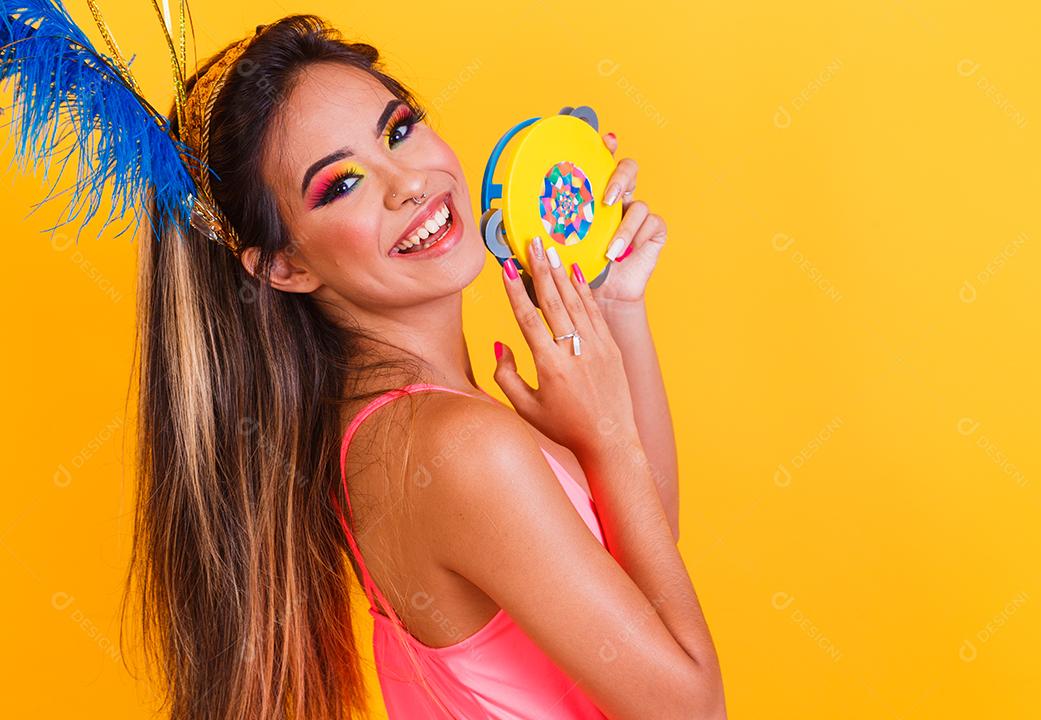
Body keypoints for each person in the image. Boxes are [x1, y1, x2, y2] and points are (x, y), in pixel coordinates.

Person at [124, 13, 726, 720]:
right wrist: (610, 436)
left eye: (399, 130)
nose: (407, 182)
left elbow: (640, 565)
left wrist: (613, 304)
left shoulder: (397, 427)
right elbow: (691, 708)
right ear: (284, 266)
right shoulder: (456, 446)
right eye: (340, 184)